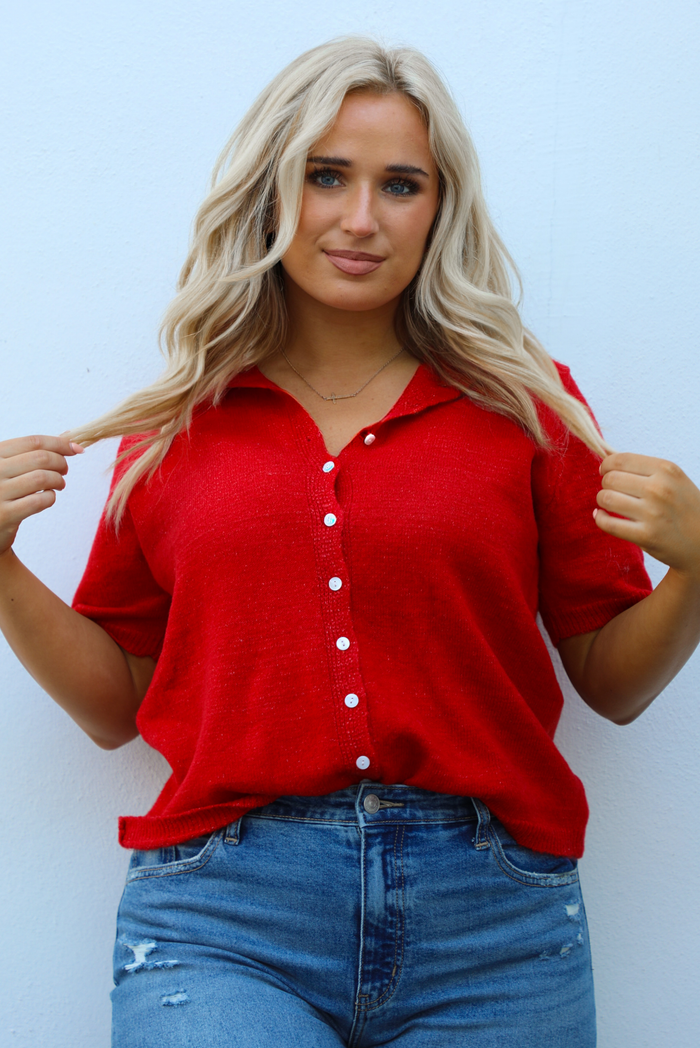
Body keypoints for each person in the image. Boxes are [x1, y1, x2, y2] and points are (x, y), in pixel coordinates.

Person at [1, 36, 699, 1048]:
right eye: (326, 175)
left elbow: (613, 679)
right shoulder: (174, 430)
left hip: (494, 923)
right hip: (222, 917)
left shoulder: (528, 408)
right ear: (272, 187)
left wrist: (694, 567)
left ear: (440, 207)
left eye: (401, 184)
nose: (360, 218)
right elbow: (116, 703)